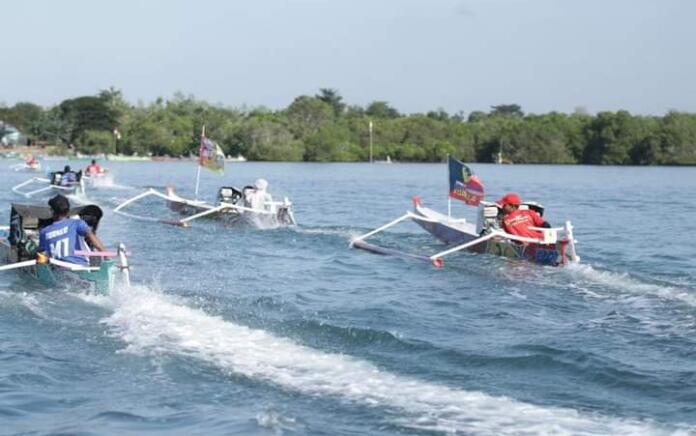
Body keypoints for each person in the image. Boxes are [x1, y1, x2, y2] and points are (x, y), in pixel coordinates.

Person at [38, 195, 106, 265]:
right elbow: (94, 241)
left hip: (58, 269)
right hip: (79, 266)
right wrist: (107, 256)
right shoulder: (77, 223)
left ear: (52, 211)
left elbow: (41, 254)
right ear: (68, 210)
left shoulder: (44, 232)